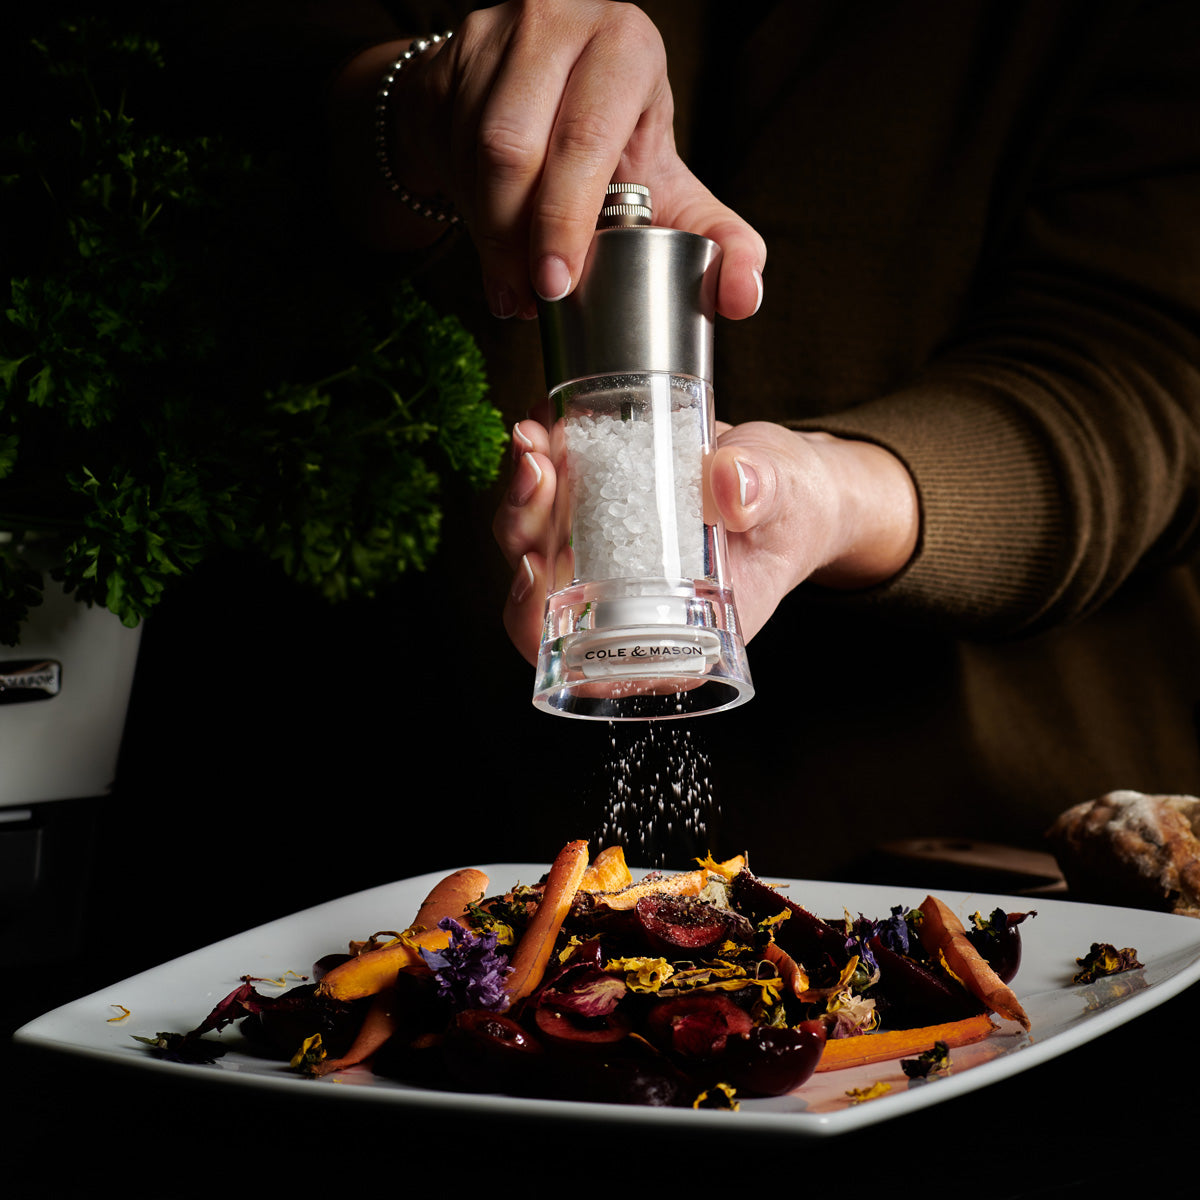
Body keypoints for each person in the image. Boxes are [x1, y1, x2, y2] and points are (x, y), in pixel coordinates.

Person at [209, 0, 1200, 877]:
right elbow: (202, 101)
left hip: (988, 824)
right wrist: (408, 110)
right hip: (400, 795)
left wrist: (822, 495)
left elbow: (1147, 372)